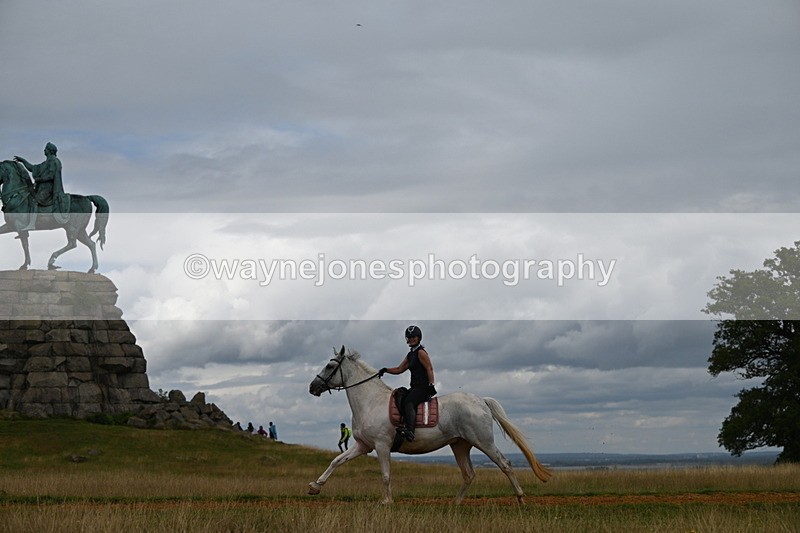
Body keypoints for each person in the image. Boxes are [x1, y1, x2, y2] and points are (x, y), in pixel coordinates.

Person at [379, 325, 436, 442]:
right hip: (415, 387)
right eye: (409, 337)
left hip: (423, 388)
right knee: (400, 394)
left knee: (409, 402)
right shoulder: (410, 354)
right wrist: (386, 370)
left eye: (414, 337)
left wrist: (431, 385)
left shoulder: (421, 352)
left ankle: (410, 431)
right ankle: (402, 423)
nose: (412, 339)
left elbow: (429, 368)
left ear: (419, 338)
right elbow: (400, 369)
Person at [13, 142, 70, 224]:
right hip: (42, 188)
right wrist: (23, 161)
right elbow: (33, 168)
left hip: (49, 189)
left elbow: (51, 176)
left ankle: (31, 224)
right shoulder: (47, 162)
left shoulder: (53, 161)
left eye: (45, 149)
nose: (44, 150)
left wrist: (39, 179)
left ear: (50, 151)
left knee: (33, 200)